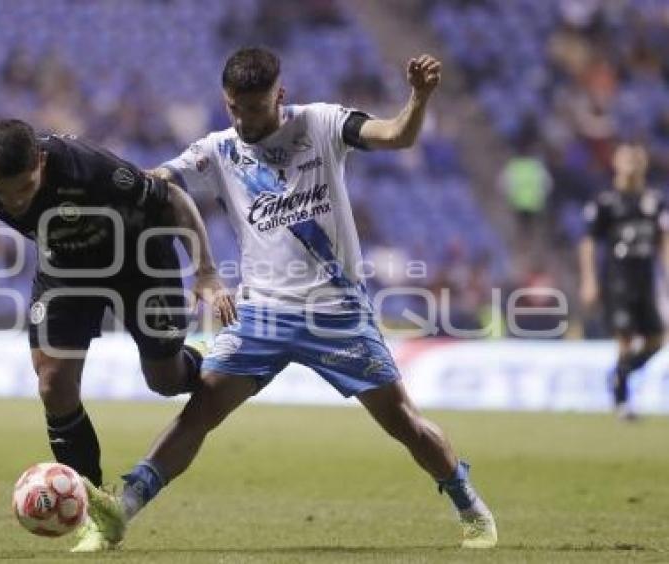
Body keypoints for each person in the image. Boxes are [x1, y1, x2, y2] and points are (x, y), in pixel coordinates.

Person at [101, 47, 497, 549]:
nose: (242, 120)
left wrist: (418, 98)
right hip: (261, 314)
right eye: (233, 108)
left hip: (335, 311)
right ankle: (124, 507)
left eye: (254, 108)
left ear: (279, 96)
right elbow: (157, 181)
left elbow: (398, 134)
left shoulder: (322, 124)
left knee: (404, 424)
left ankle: (470, 505)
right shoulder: (218, 150)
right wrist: (109, 183)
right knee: (199, 412)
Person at [0, 119, 236, 552]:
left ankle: (200, 361)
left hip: (140, 261)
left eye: (26, 186)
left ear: (42, 162)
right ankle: (95, 507)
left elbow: (175, 200)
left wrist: (205, 271)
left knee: (164, 381)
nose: (15, 200)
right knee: (53, 382)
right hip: (67, 270)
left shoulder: (91, 168)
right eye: (3, 190)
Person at [579, 143, 668, 420]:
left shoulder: (655, 201)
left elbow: (663, 241)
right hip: (618, 281)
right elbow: (589, 243)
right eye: (626, 158)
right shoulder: (605, 201)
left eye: (636, 158)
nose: (631, 163)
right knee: (626, 340)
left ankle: (619, 374)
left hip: (646, 281)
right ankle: (622, 402)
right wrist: (589, 280)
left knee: (657, 338)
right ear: (616, 163)